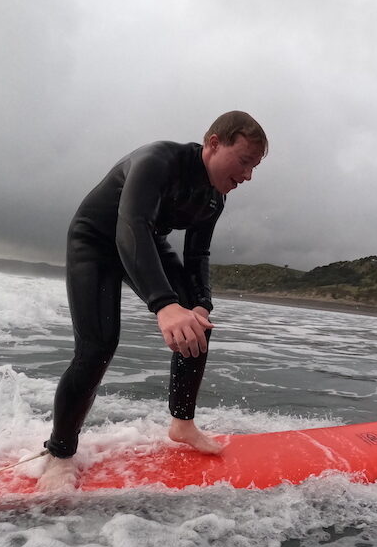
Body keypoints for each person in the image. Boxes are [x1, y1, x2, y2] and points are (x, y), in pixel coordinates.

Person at [41, 110, 267, 476]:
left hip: (145, 243)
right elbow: (132, 225)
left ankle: (182, 424)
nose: (247, 175)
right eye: (243, 162)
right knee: (97, 348)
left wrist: (200, 303)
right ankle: (59, 454)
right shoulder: (157, 161)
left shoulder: (214, 199)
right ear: (213, 144)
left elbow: (198, 254)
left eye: (254, 167)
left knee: (197, 322)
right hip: (96, 242)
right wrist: (163, 304)